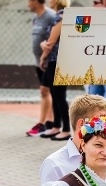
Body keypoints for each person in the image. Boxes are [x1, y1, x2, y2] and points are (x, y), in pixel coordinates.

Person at [37, 0, 71, 141]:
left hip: (58, 61)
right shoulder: (59, 16)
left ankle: (67, 129)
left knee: (59, 95)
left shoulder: (61, 17)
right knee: (54, 93)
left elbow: (51, 42)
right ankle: (57, 126)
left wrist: (43, 57)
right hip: (55, 61)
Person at [25, 0, 54, 137]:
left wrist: (45, 56)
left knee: (44, 91)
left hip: (48, 62)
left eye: (30, 1)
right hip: (39, 62)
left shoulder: (51, 16)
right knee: (47, 92)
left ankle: (42, 124)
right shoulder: (36, 18)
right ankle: (50, 122)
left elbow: (54, 39)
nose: (28, 4)